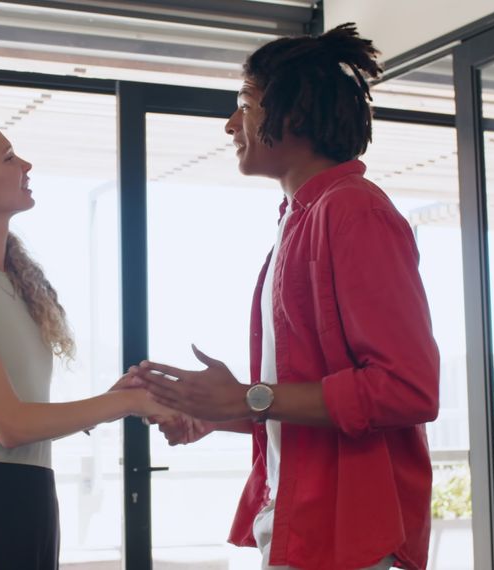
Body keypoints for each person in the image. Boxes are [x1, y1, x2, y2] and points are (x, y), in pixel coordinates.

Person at [137, 24, 440, 570]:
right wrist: (217, 411)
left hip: (353, 539)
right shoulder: (300, 219)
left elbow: (406, 389)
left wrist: (249, 398)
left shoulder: (354, 213)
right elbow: (301, 399)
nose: (231, 124)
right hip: (304, 527)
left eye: (245, 105)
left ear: (293, 114)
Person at [0, 111, 164, 570]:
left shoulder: (14, 282)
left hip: (30, 509)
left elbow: (25, 419)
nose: (25, 164)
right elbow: (12, 426)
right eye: (7, 157)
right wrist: (130, 403)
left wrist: (112, 399)